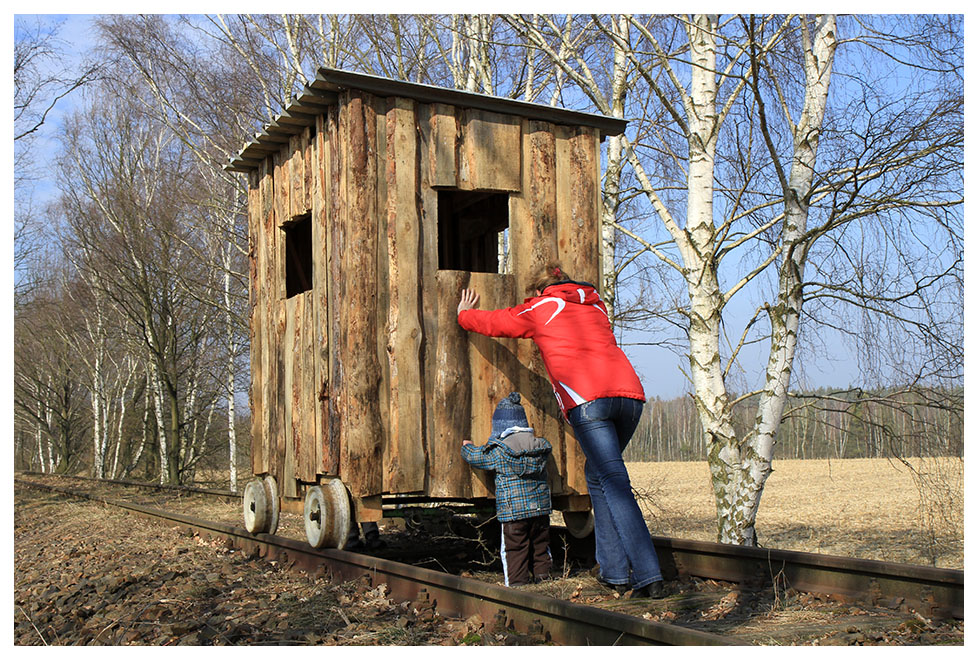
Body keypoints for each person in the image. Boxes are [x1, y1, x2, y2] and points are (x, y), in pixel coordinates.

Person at [456, 262, 664, 599]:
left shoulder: (542, 306)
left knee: (614, 482)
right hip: (630, 398)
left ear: (539, 291)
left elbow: (499, 322)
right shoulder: (595, 305)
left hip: (589, 402)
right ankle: (613, 573)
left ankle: (648, 576)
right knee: (597, 477)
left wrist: (465, 316)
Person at [461, 392, 553, 587]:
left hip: (513, 513)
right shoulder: (541, 447)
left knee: (514, 550)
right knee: (540, 547)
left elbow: (478, 457)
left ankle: (518, 585)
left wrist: (466, 447)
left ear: (501, 427)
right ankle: (545, 581)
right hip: (540, 511)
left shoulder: (499, 451)